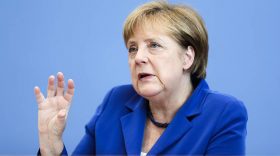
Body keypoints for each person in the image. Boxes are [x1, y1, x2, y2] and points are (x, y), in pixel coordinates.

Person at [34, 1, 248, 155]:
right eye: (132, 48)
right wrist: (51, 144)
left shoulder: (223, 113)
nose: (139, 58)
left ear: (187, 58)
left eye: (154, 45)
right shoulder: (115, 101)